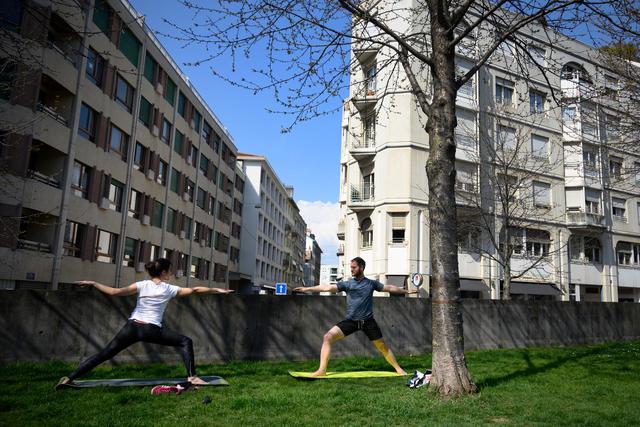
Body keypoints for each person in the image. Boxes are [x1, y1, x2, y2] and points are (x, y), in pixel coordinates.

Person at [55, 258, 233, 390]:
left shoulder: (141, 285)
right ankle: (192, 377)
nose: (170, 274)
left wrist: (93, 283)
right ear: (163, 272)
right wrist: (217, 289)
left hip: (132, 327)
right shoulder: (168, 289)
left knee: (105, 354)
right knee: (186, 341)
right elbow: (195, 290)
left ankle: (69, 379)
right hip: (150, 329)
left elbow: (115, 292)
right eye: (169, 271)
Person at [293, 257, 417, 377]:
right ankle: (321, 370)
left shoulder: (371, 283)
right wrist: (307, 288)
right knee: (328, 337)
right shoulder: (348, 284)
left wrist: (406, 292)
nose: (351, 269)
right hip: (351, 321)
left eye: (354, 267)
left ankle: (398, 369)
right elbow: (327, 287)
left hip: (368, 322)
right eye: (351, 267)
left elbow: (389, 287)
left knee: (382, 346)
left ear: (361, 267)